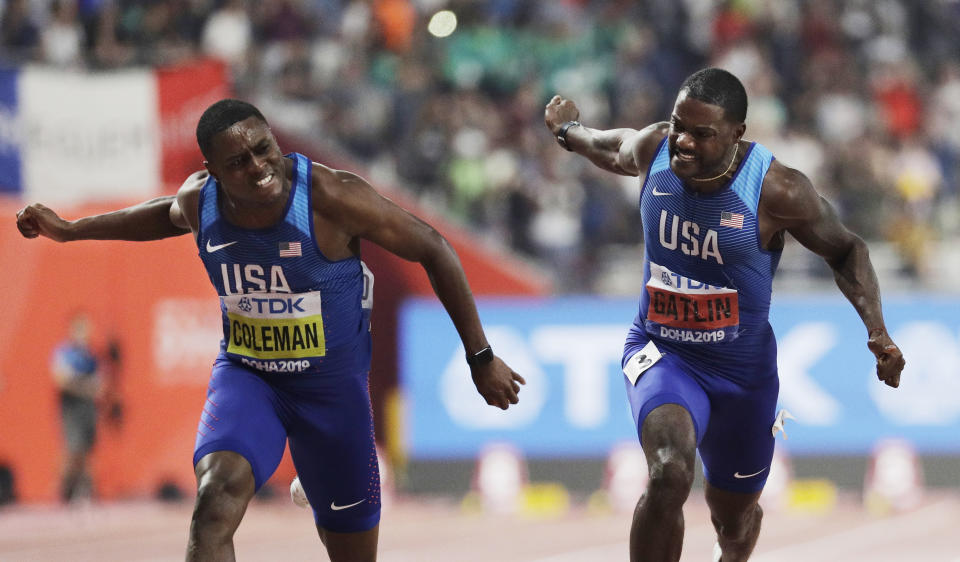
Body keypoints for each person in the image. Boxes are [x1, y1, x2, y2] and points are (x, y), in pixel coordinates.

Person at [16, 98, 525, 562]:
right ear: (211, 171)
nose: (258, 167)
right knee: (215, 499)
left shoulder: (331, 196)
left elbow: (434, 247)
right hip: (250, 377)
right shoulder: (201, 201)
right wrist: (71, 230)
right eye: (238, 162)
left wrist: (480, 356)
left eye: (264, 150)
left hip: (331, 393)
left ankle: (319, 480)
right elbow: (161, 215)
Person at [544, 67, 905, 562]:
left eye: (702, 134)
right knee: (669, 471)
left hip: (743, 377)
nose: (684, 143)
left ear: (737, 135)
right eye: (678, 126)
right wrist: (568, 131)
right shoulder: (656, 151)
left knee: (733, 519)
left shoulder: (778, 190)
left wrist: (878, 333)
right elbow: (611, 147)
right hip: (662, 351)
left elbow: (847, 251)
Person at [51, 311, 102, 503]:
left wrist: (89, 387)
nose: (83, 333)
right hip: (71, 407)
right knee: (72, 448)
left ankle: (85, 490)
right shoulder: (64, 352)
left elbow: (100, 383)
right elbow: (61, 379)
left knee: (88, 450)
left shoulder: (91, 354)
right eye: (79, 328)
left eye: (86, 328)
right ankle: (64, 490)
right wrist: (85, 387)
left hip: (88, 407)